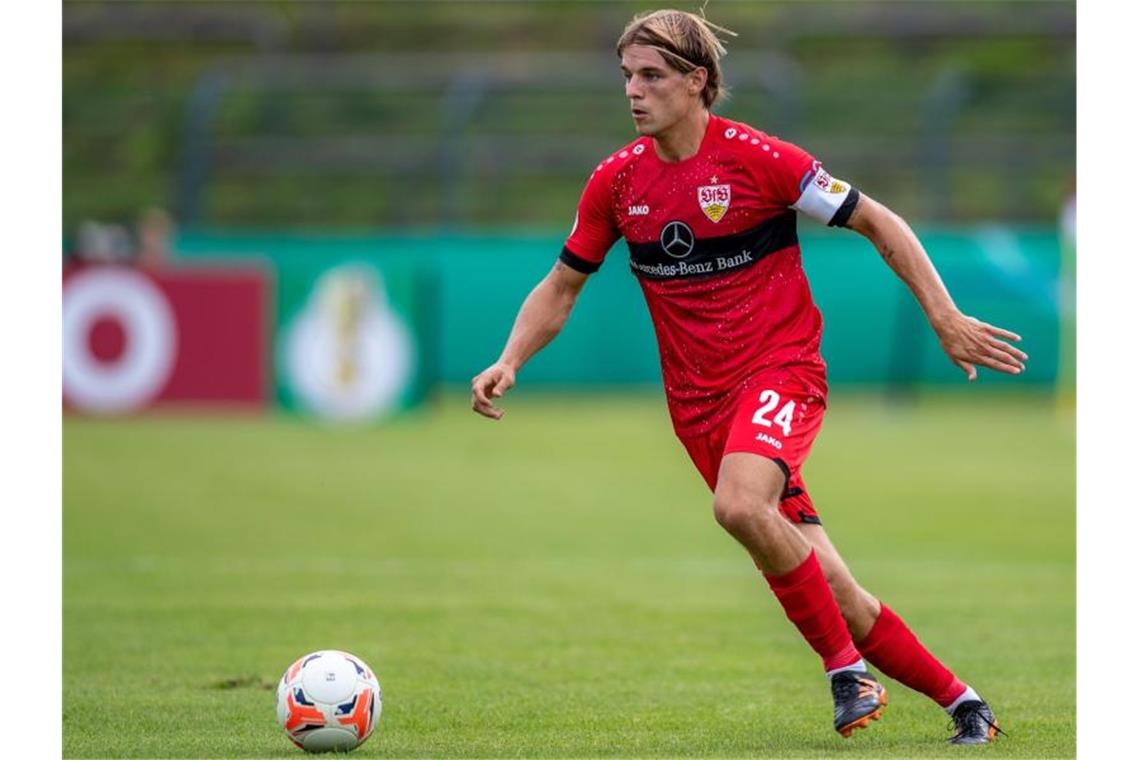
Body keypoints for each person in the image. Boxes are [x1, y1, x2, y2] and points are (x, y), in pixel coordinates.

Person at [471, 9, 1024, 745]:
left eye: (652, 76)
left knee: (738, 506)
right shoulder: (617, 182)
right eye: (628, 76)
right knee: (837, 589)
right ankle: (965, 704)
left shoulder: (761, 161)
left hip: (780, 373)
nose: (634, 92)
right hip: (699, 410)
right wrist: (511, 358)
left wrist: (944, 316)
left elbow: (880, 222)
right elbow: (562, 284)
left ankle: (844, 673)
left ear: (697, 82)